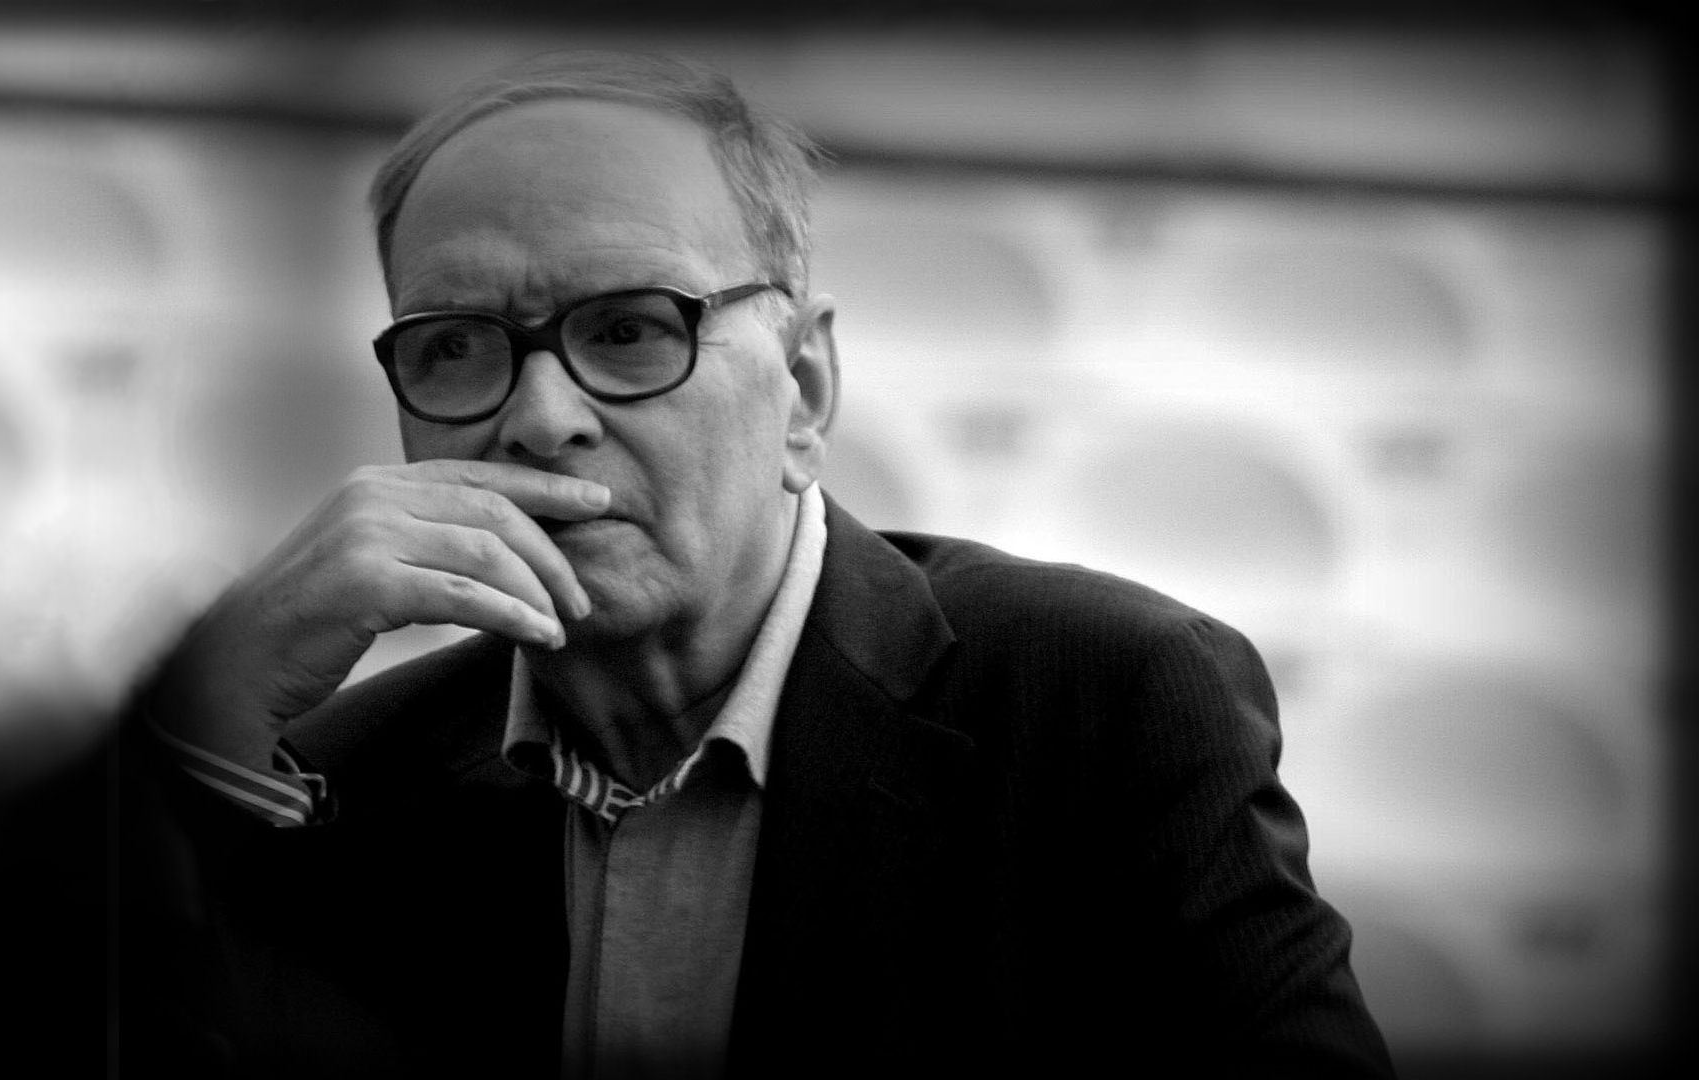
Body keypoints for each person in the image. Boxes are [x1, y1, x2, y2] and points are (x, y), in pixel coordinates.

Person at [121, 49, 1395, 1079]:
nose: (540, 418)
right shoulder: (329, 774)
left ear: (803, 390)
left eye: (631, 329)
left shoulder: (1103, 702)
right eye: (456, 347)